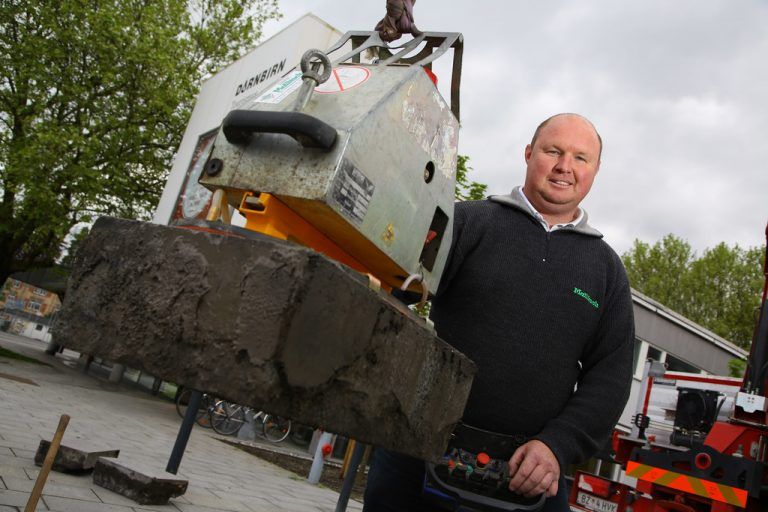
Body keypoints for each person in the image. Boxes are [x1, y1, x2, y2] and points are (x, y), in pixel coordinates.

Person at [363, 113, 635, 511]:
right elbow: (392, 292)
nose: (565, 167)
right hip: (419, 450)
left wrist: (557, 446)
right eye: (553, 151)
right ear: (528, 154)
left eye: (581, 158)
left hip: (530, 474)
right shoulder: (467, 222)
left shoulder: (607, 272)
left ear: (595, 171)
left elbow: (610, 378)